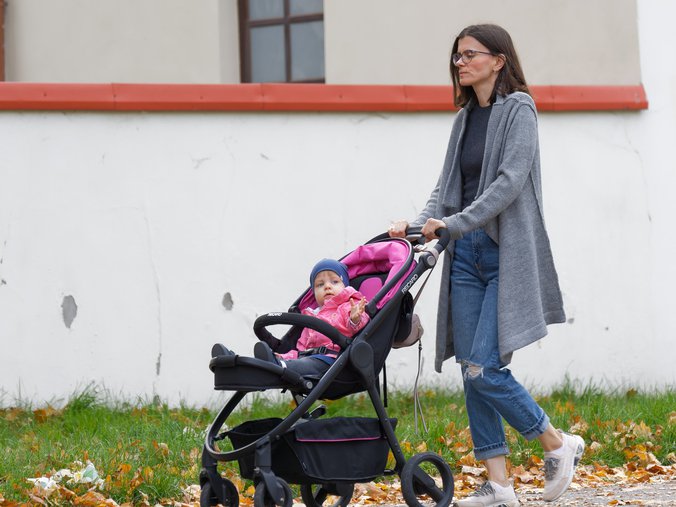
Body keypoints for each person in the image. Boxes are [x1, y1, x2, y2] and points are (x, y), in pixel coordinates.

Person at [388, 24, 584, 506]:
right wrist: (416, 225)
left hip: (504, 254)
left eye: (470, 54)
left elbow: (509, 182)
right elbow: (445, 187)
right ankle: (499, 484)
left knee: (484, 369)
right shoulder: (464, 119)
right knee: (469, 368)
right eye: (457, 56)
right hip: (464, 257)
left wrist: (453, 224)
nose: (460, 62)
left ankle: (556, 443)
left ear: (498, 60)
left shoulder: (520, 109)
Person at [216, 259, 369, 377]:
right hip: (305, 357)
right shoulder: (311, 315)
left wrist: (355, 318)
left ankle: (273, 365)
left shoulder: (349, 306)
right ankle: (236, 364)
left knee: (293, 364)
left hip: (331, 361)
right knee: (284, 359)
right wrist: (286, 356)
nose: (327, 286)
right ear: (314, 293)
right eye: (320, 285)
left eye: (334, 282)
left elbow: (359, 325)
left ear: (345, 286)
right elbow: (301, 348)